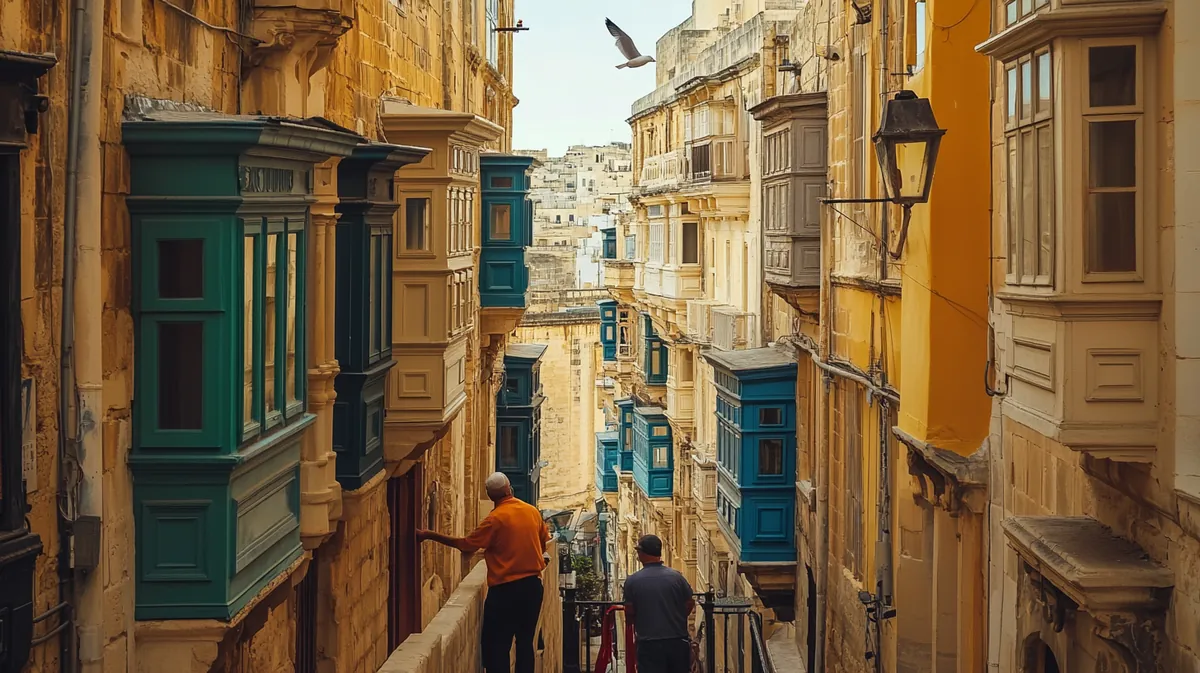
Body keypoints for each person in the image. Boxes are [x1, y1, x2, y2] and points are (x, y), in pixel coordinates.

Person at [417, 472, 550, 673]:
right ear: (509, 489)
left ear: (491, 496)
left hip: (505, 592)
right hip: (532, 587)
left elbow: (465, 545)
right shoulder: (531, 511)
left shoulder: (494, 519)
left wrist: (429, 535)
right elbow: (543, 544)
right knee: (525, 643)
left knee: (497, 646)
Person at [622, 534, 695, 673]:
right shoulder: (677, 577)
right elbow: (689, 602)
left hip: (649, 643)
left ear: (643, 553)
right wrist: (676, 617)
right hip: (677, 640)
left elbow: (629, 612)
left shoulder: (632, 581)